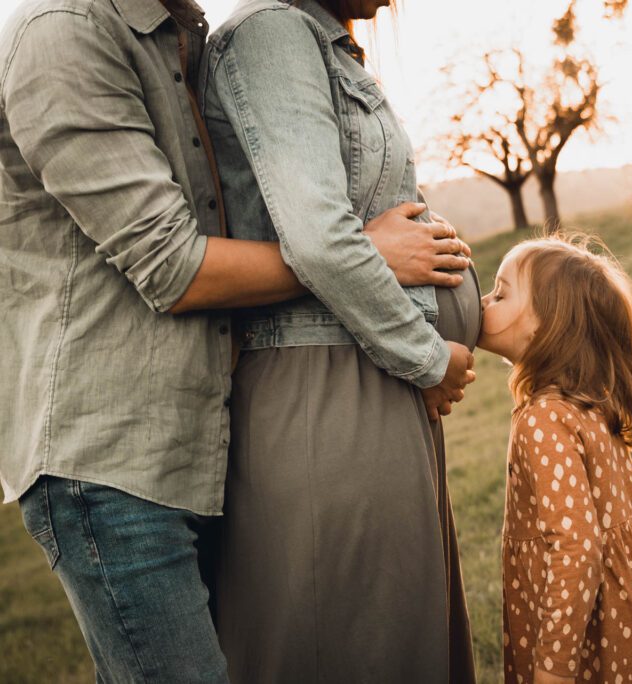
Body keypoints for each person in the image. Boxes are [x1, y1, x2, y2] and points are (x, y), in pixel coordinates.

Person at [0, 0, 470, 680]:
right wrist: (357, 255)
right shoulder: (62, 32)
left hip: (198, 436)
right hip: (108, 458)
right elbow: (172, 264)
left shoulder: (182, 30)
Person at [199, 0, 479, 681]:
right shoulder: (272, 32)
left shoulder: (327, 44)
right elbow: (321, 238)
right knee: (352, 643)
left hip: (371, 379)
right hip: (325, 394)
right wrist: (429, 357)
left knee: (399, 641)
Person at [477, 235, 632, 683]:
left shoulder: (544, 419)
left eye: (502, 292)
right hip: (630, 601)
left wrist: (554, 667)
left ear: (547, 326)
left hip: (590, 625)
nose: (484, 302)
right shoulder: (587, 401)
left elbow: (577, 546)